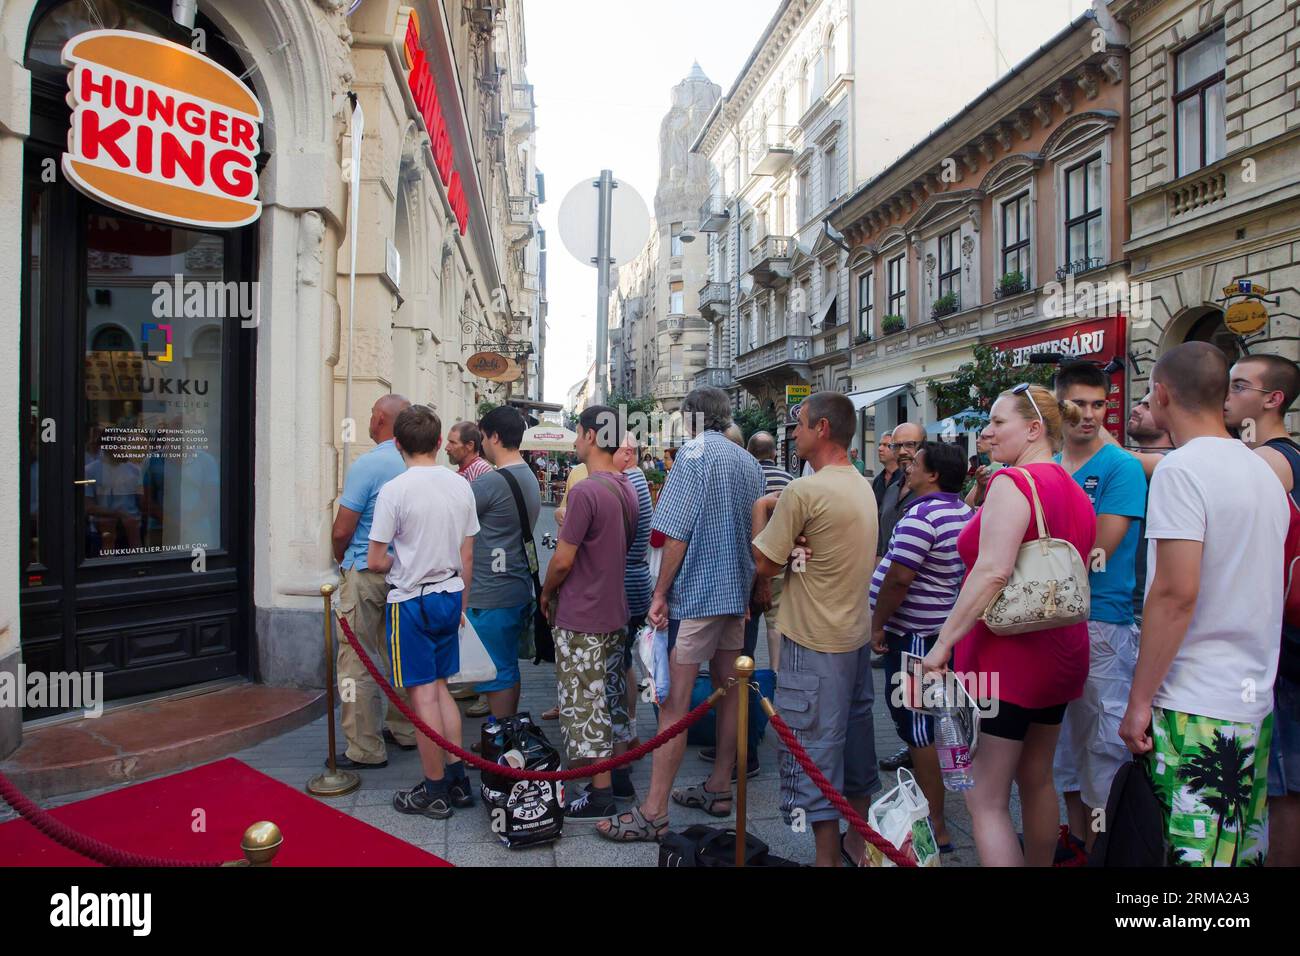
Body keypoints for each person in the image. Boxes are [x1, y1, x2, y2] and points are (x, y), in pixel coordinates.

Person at [1119, 343, 1288, 866]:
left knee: (1189, 859)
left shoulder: (1182, 470)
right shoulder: (1264, 470)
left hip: (1194, 700)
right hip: (1250, 697)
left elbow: (1175, 593)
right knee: (1234, 853)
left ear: (1164, 395)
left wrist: (1139, 700)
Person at [921, 384, 1096, 867]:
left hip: (1006, 658)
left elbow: (993, 570)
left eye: (999, 423)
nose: (988, 432)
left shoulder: (1013, 483)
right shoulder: (1073, 487)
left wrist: (941, 645)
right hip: (1060, 652)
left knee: (985, 798)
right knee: (1037, 778)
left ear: (1034, 429)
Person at [597, 387, 764, 841]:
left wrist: (660, 593)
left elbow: (673, 533)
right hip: (736, 594)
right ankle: (718, 788)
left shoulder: (692, 456)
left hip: (696, 596)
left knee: (673, 703)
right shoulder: (747, 459)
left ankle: (653, 811)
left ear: (690, 420)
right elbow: (758, 531)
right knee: (731, 694)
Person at [752, 391, 880, 867]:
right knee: (857, 740)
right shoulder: (861, 484)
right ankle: (857, 841)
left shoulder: (806, 492)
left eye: (801, 424)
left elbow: (765, 563)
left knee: (814, 749)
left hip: (812, 638)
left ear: (822, 429)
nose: (795, 432)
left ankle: (826, 858)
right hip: (854, 635)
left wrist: (761, 510)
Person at [1051, 362, 1148, 854]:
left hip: (1101, 623)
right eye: (1078, 404)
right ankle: (1078, 843)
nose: (1089, 415)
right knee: (1062, 750)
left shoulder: (1120, 466)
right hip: (1047, 625)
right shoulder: (1047, 462)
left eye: (1099, 405)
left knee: (1103, 750)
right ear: (1058, 404)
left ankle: (1104, 851)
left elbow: (1097, 551)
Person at [367, 406, 479, 819]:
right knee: (442, 688)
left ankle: (433, 789)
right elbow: (468, 553)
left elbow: (375, 559)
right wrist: (462, 602)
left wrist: (400, 560)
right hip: (449, 593)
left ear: (398, 444)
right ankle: (458, 779)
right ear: (437, 443)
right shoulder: (460, 486)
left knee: (422, 696)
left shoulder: (395, 491)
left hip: (411, 599)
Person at [869, 441, 973, 857]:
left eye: (915, 464)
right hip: (940, 632)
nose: (907, 469)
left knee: (918, 728)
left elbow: (898, 579)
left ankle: (937, 823)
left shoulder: (923, 515)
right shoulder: (964, 510)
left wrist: (878, 624)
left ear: (933, 475)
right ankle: (941, 809)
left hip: (914, 637)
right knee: (933, 722)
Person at [539, 405, 639, 821]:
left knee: (585, 704)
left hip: (583, 613)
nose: (576, 441)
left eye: (578, 434)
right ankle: (617, 780)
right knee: (612, 699)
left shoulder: (585, 491)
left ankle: (599, 793)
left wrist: (545, 593)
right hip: (614, 609)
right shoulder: (626, 487)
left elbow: (562, 560)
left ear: (593, 437)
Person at [1222, 352, 1300, 867]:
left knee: (1283, 786)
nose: (1227, 395)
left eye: (1238, 386)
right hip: (1282, 637)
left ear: (1272, 399)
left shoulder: (1272, 460)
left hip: (1285, 643)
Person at [696, 429, 792, 779]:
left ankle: (743, 751)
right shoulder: (783, 476)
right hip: (770, 573)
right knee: (757, 652)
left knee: (740, 669)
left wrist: (760, 580)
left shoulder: (746, 474)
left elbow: (753, 536)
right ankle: (737, 743)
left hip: (752, 579)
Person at [329, 394, 417, 769]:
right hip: (404, 574)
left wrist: (342, 560)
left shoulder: (368, 464)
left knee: (356, 663)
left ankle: (365, 747)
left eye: (369, 413)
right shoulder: (418, 464)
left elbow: (341, 529)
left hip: (366, 573)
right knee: (400, 657)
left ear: (380, 418)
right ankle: (408, 730)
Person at [464, 406, 541, 720]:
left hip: (492, 591)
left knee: (497, 671)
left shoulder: (492, 483)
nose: (481, 444)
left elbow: (453, 516)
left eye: (482, 436)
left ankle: (501, 740)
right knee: (506, 666)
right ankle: (505, 735)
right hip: (516, 584)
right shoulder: (529, 476)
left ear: (494, 436)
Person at [877, 421, 927, 772]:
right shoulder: (893, 484)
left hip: (921, 611)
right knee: (899, 695)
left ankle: (929, 766)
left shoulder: (929, 489)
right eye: (899, 446)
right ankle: (914, 748)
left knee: (916, 698)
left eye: (911, 445)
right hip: (898, 608)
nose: (904, 451)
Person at [1120, 392, 1174, 622]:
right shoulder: (1130, 460)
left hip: (1143, 604)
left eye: (1147, 406)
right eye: (1138, 402)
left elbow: (1123, 459)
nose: (1136, 409)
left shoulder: (1173, 460)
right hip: (1113, 600)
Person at [877, 423, 926, 557]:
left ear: (924, 447)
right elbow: (881, 542)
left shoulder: (935, 489)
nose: (902, 451)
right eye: (896, 446)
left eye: (910, 445)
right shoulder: (892, 489)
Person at [871, 430, 897, 507]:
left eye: (885, 445)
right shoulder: (878, 480)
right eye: (880, 444)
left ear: (896, 448)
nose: (880, 448)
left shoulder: (905, 479)